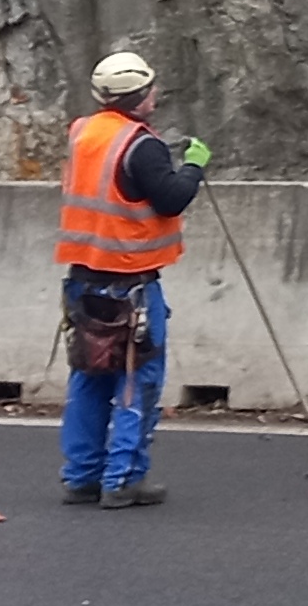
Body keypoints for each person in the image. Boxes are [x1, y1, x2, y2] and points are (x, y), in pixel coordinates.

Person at [56, 49, 205, 507]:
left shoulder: (83, 132)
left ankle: (81, 476)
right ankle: (122, 479)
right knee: (134, 380)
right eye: (151, 88)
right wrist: (195, 166)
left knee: (88, 376)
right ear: (138, 95)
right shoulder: (141, 145)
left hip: (83, 279)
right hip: (130, 283)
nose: (156, 94)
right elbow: (170, 198)